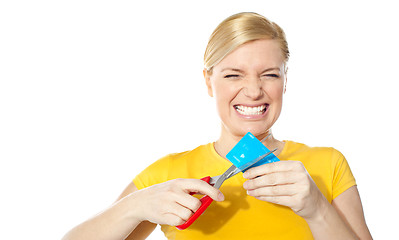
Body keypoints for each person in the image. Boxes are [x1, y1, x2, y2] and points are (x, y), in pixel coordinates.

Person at [62, 12, 373, 240]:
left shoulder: (327, 165)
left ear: (285, 82)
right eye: (233, 75)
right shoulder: (168, 175)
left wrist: (317, 209)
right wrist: (134, 207)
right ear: (208, 82)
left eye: (269, 74)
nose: (253, 90)